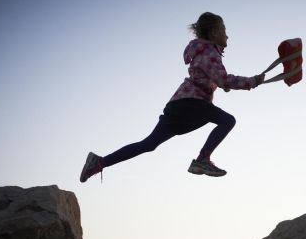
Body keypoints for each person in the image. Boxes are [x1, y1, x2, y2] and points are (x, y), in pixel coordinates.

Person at [79, 12, 265, 182]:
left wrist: (218, 84)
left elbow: (212, 77)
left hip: (178, 105)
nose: (227, 35)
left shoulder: (201, 51)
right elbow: (224, 79)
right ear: (214, 32)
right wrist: (253, 81)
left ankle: (99, 162)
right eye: (224, 30)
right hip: (191, 104)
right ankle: (202, 159)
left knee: (149, 144)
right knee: (228, 120)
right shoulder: (210, 51)